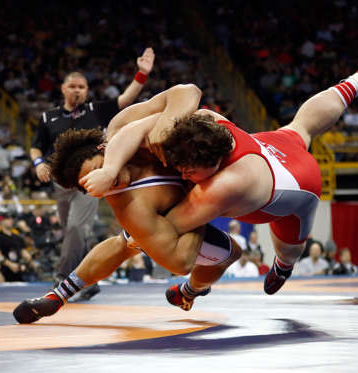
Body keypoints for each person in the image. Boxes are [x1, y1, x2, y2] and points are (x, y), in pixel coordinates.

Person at [81, 59, 358, 295]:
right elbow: (137, 128)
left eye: (188, 171)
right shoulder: (205, 120)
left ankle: (283, 267)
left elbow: (165, 232)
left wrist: (131, 216)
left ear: (212, 164)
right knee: (300, 127)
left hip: (300, 183)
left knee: (289, 250)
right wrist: (110, 169)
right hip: (271, 146)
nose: (182, 173)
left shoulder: (222, 187)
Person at [13, 111, 242, 323]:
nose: (105, 179)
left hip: (184, 192)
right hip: (172, 226)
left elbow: (187, 91)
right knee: (232, 252)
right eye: (93, 182)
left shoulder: (132, 137)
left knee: (126, 241)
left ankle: (59, 294)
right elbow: (181, 263)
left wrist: (163, 122)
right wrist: (199, 206)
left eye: (100, 168)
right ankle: (190, 291)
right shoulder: (130, 206)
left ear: (105, 148)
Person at [29, 48, 155, 300]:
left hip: (89, 180)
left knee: (76, 228)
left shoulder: (95, 110)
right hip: (60, 183)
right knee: (72, 233)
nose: (77, 90)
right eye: (73, 86)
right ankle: (90, 281)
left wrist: (141, 74)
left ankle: (63, 278)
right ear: (63, 89)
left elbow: (125, 100)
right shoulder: (49, 117)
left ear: (86, 91)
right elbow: (35, 146)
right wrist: (38, 163)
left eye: (82, 87)